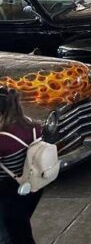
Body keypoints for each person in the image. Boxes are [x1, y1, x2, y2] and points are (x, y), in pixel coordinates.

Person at [0, 87, 42, 243]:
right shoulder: (33, 125)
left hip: (8, 191)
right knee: (22, 227)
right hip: (32, 186)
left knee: (9, 235)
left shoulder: (3, 138)